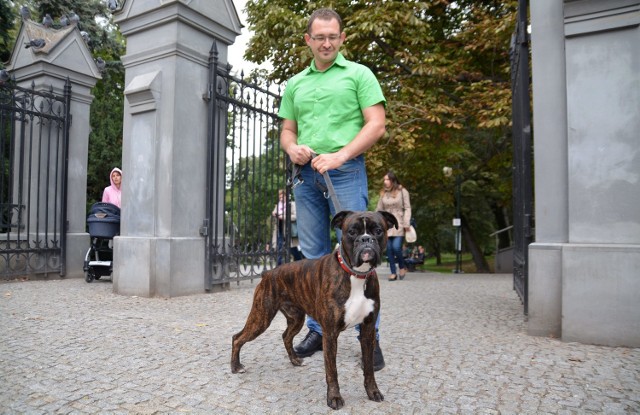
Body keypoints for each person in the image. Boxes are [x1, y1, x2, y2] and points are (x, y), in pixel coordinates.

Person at [279, 8, 387, 370]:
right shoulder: (295, 83)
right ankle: (317, 329)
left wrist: (340, 156)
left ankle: (369, 338)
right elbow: (287, 131)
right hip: (306, 176)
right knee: (313, 257)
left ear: (342, 39)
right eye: (319, 37)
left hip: (345, 172)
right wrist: (292, 147)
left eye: (332, 36)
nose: (326, 42)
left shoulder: (359, 75)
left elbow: (377, 125)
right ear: (308, 40)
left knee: (361, 252)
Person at [375, 171, 411, 281]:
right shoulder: (383, 194)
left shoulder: (402, 191)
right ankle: (393, 272)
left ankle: (402, 267)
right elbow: (379, 209)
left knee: (396, 247)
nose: (385, 181)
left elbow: (407, 208)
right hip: (387, 225)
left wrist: (406, 222)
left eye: (387, 179)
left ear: (392, 180)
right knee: (389, 249)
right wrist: (373, 220)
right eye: (384, 179)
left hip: (399, 223)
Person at [271, 189, 286, 265]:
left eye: (282, 197)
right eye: (280, 197)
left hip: (287, 229)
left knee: (292, 248)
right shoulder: (277, 205)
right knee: (279, 246)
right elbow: (274, 216)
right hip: (279, 229)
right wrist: (273, 214)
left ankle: (298, 260)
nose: (281, 199)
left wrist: (283, 217)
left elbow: (294, 216)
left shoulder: (291, 204)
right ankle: (278, 265)